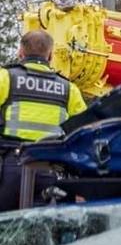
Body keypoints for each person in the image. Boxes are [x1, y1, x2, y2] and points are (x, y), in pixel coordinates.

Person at [0, 29, 87, 210]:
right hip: (51, 172)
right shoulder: (69, 89)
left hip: (9, 168)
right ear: (51, 55)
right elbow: (84, 132)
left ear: (20, 52)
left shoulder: (5, 78)